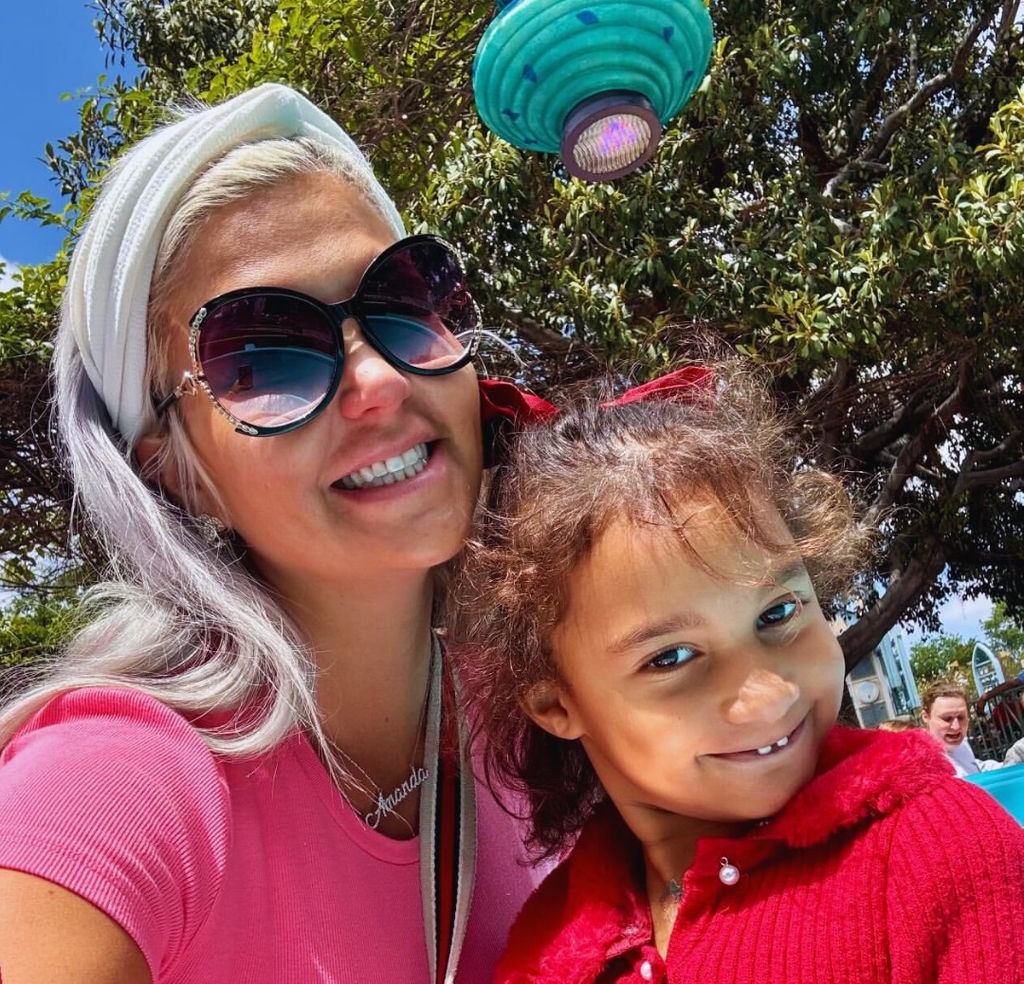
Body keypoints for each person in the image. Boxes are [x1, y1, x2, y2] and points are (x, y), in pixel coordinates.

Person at [0, 83, 542, 983]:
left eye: (404, 299)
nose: (379, 382)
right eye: (264, 355)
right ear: (178, 473)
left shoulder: (554, 689)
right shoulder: (118, 783)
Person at [451, 369, 1024, 984]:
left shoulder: (938, 852)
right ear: (555, 704)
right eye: (671, 658)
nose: (768, 698)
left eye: (778, 614)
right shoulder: (546, 950)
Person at [920, 681, 1003, 776]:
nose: (956, 727)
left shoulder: (961, 743)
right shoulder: (920, 762)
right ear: (926, 717)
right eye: (947, 719)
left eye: (961, 717)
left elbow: (972, 768)